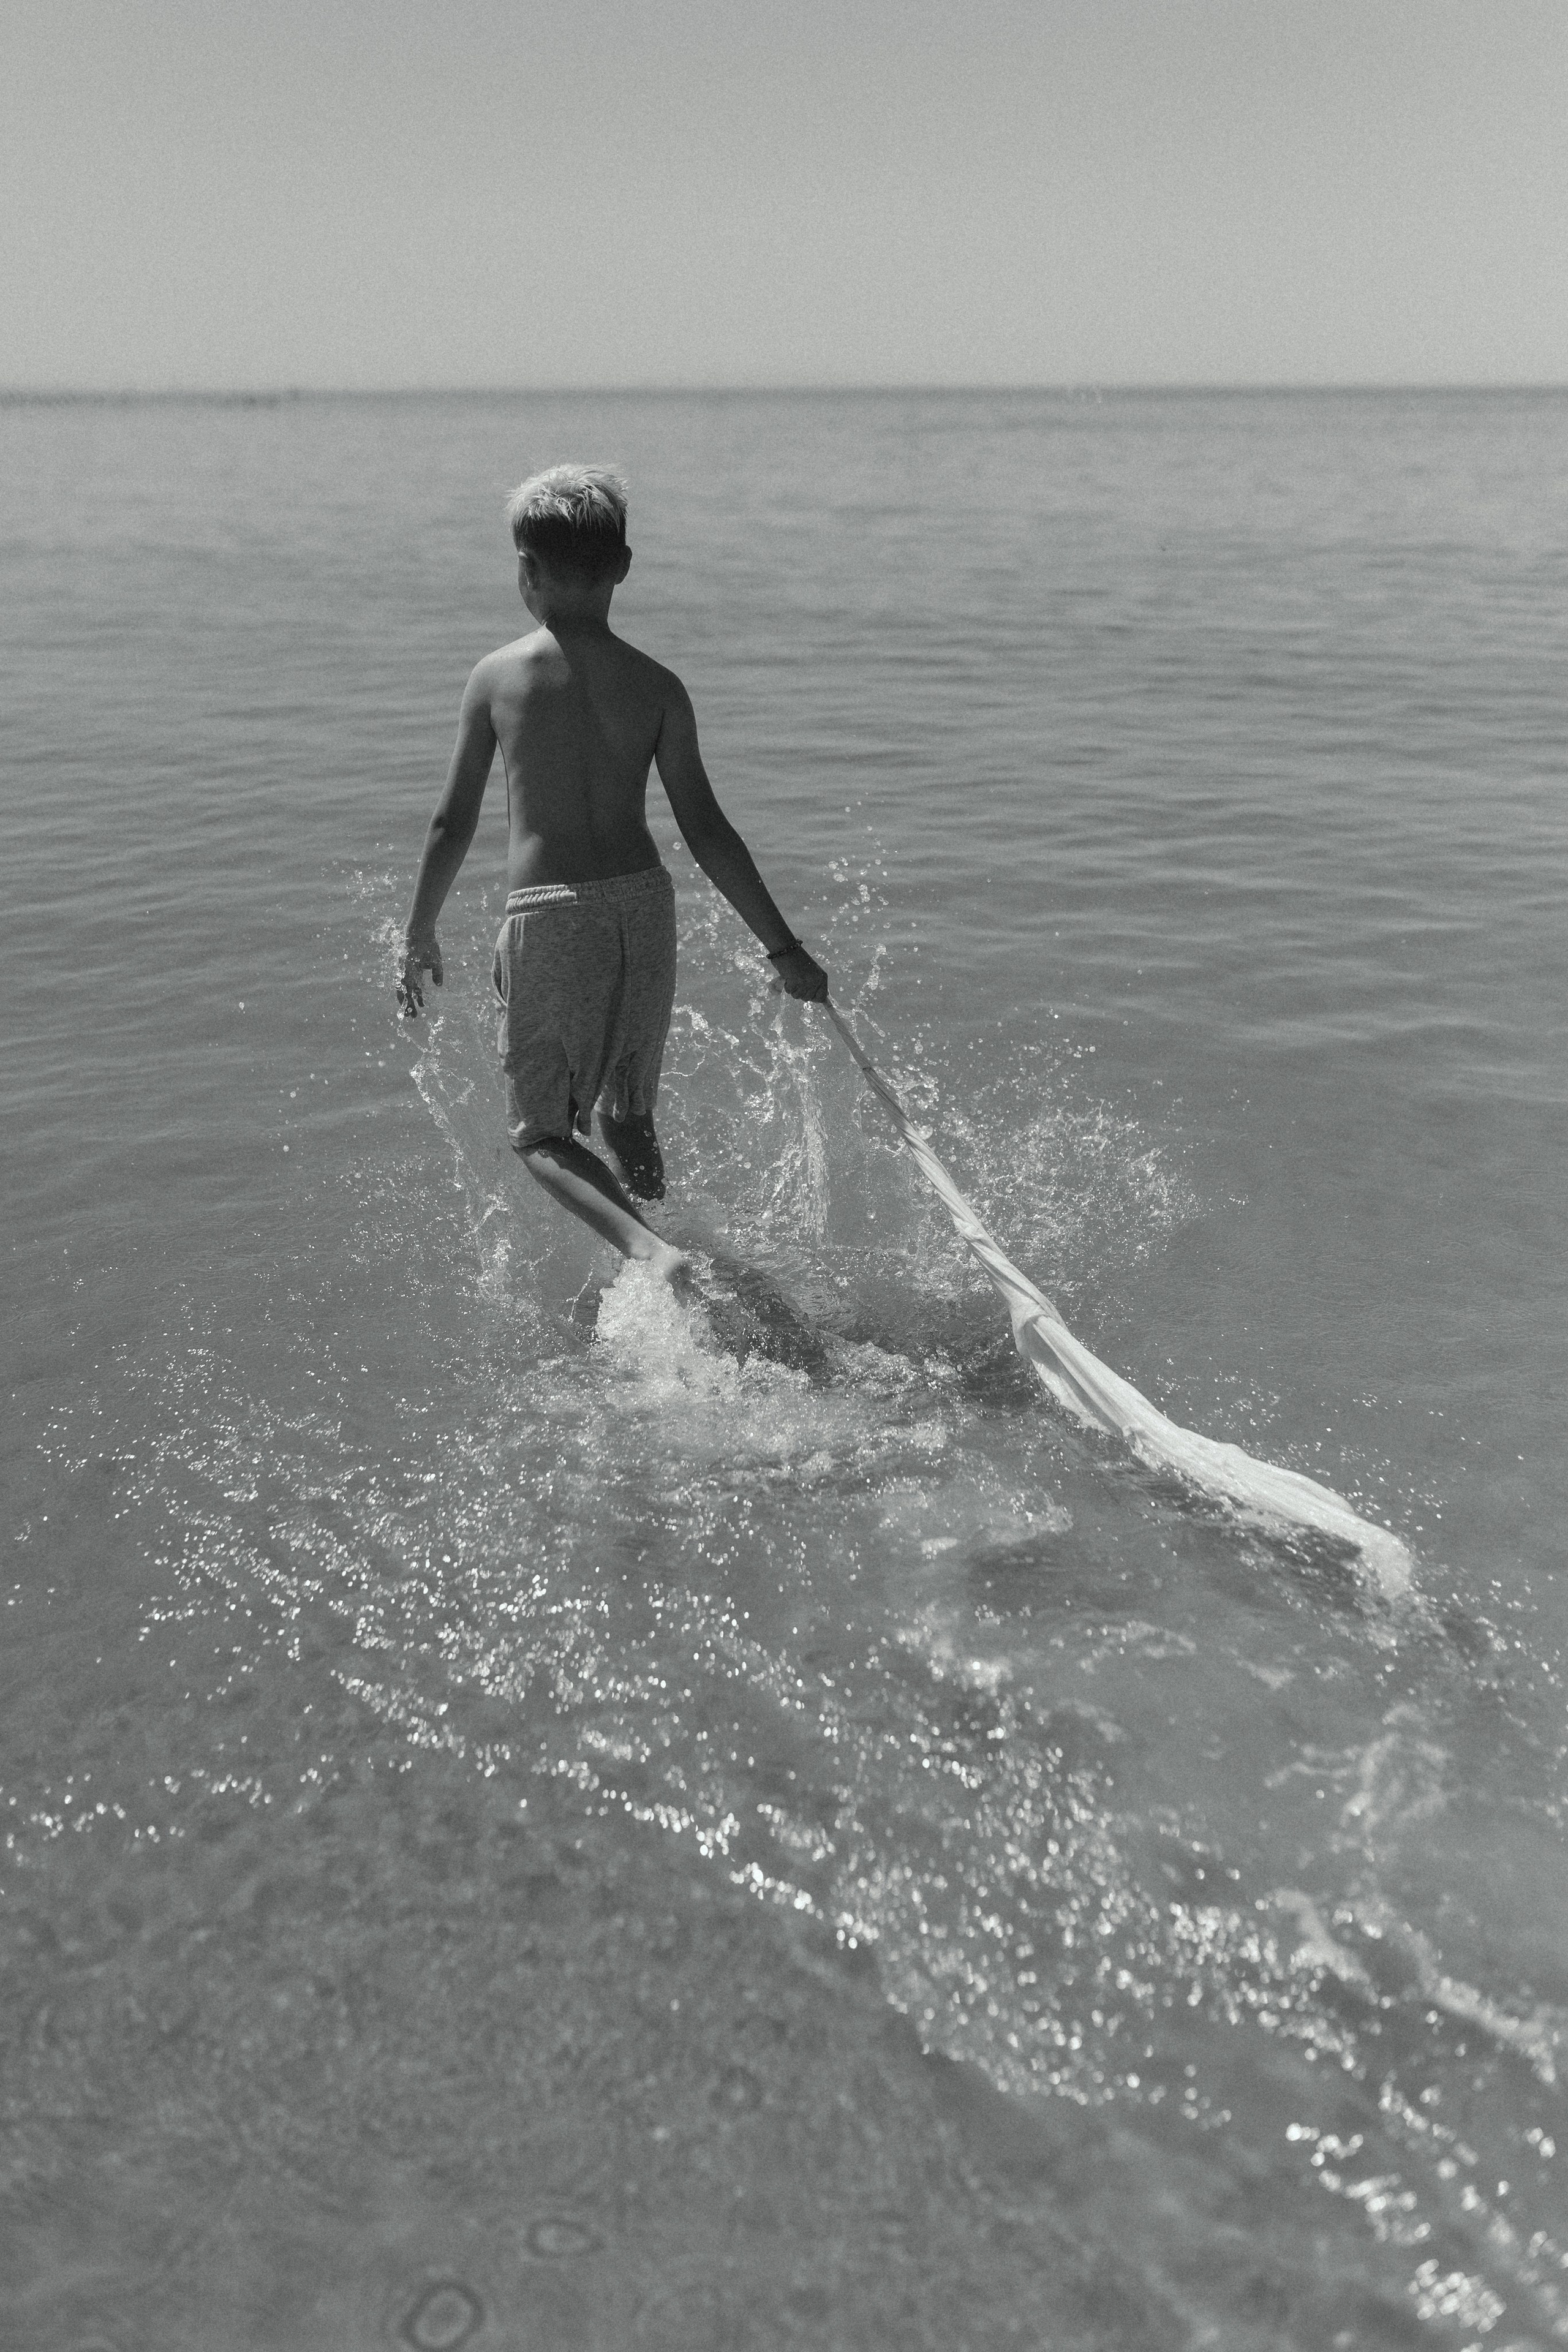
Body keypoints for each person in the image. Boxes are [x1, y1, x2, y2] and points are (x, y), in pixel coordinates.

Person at [398, 465, 828, 1277]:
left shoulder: (498, 678)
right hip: (643, 907)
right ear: (623, 567)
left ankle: (652, 1252)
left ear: (525, 570)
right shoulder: (659, 687)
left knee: (541, 1136)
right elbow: (707, 831)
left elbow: (452, 822)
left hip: (551, 914)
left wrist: (419, 929)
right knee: (627, 1115)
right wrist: (785, 949)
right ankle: (682, 1271)